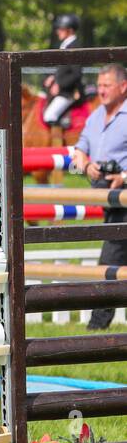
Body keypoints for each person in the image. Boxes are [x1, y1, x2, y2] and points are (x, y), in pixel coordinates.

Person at [70, 64, 127, 330]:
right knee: (115, 260)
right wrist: (84, 164)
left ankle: (96, 328)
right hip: (109, 200)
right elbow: (78, 151)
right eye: (99, 85)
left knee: (110, 261)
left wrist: (124, 177)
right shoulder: (94, 117)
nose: (100, 90)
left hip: (123, 198)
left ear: (123, 87)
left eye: (107, 85)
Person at [42, 13, 87, 127]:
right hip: (64, 90)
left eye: (61, 29)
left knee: (49, 116)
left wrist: (59, 84)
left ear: (70, 30)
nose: (58, 31)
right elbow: (65, 69)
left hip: (69, 92)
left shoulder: (74, 46)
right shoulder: (66, 45)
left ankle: (59, 143)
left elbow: (77, 74)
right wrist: (53, 78)